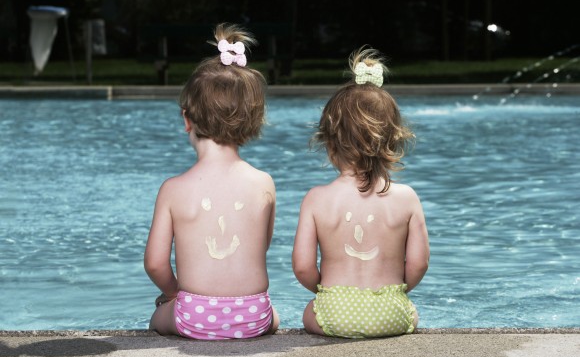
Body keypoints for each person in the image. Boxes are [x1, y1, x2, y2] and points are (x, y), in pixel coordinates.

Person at [144, 23, 279, 340]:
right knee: (275, 315)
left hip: (194, 317)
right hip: (255, 315)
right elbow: (260, 246)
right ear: (252, 121)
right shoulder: (264, 183)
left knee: (157, 317)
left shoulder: (173, 190)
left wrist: (174, 293)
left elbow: (155, 263)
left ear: (186, 118)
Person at [292, 46, 430, 339]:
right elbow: (418, 263)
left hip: (335, 312)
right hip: (390, 313)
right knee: (413, 312)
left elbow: (303, 267)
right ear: (393, 142)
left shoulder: (317, 199)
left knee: (308, 312)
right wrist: (398, 291)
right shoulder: (407, 198)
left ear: (329, 145)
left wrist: (326, 291)